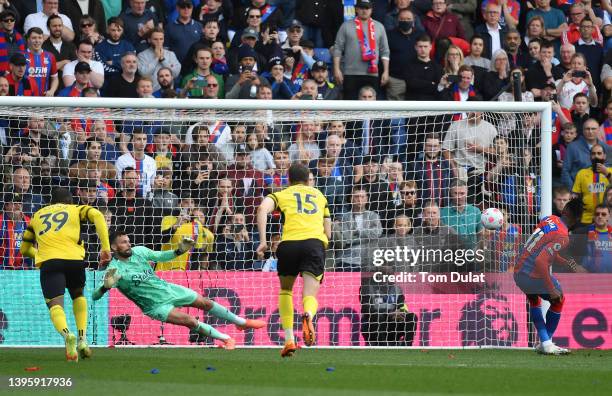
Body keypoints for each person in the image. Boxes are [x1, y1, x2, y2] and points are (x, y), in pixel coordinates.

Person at [92, 230, 265, 349]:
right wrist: (105, 288)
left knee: (205, 302)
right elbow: (94, 296)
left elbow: (162, 256)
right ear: (114, 247)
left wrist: (180, 250)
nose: (128, 245)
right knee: (190, 321)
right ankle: (227, 339)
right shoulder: (114, 269)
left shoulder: (139, 251)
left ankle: (241, 323)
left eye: (128, 241)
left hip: (168, 289)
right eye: (123, 243)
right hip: (155, 306)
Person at [19, 187, 111, 361]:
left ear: (51, 202)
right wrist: (105, 247)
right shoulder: (76, 209)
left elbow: (24, 248)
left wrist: (39, 255)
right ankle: (83, 339)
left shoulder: (37, 215)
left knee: (55, 305)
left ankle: (68, 335)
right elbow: (98, 215)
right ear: (70, 200)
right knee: (78, 296)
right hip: (74, 260)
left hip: (50, 262)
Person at [255, 162, 332, 357]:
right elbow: (329, 233)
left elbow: (262, 209)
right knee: (309, 296)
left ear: (288, 180)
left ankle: (289, 339)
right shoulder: (320, 196)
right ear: (308, 180)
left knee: (286, 290)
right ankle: (308, 315)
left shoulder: (281, 195)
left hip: (288, 245)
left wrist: (263, 242)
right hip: (313, 244)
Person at [513, 198, 587, 355]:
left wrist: (564, 261)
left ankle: (545, 343)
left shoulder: (549, 219)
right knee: (558, 299)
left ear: (564, 209)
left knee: (534, 300)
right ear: (577, 220)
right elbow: (541, 261)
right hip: (532, 274)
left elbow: (540, 249)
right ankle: (547, 342)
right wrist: (551, 288)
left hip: (519, 271)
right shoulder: (563, 236)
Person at [332, 0, 390, 100]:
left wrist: (386, 71)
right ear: (356, 9)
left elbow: (385, 51)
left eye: (367, 8)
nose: (364, 11)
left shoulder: (379, 27)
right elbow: (337, 48)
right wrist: (337, 69)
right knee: (350, 107)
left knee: (371, 108)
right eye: (362, 8)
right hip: (350, 73)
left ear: (371, 10)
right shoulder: (346, 25)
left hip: (372, 73)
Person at [571, 144, 612, 226]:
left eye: (599, 153)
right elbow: (575, 196)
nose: (596, 156)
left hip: (607, 218)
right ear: (590, 157)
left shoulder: (610, 171)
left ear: (604, 156)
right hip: (586, 219)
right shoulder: (582, 173)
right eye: (593, 153)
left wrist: (607, 173)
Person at [582, 204, 612, 272]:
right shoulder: (583, 232)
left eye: (603, 214)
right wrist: (575, 267)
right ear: (594, 216)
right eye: (597, 214)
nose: (600, 216)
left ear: (609, 216)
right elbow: (566, 251)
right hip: (589, 277)